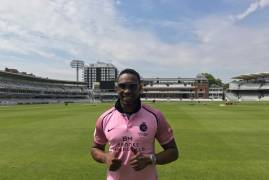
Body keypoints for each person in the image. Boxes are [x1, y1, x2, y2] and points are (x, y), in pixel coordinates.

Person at [91, 69, 179, 180]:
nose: (127, 91)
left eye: (132, 86)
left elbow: (173, 151)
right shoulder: (105, 118)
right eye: (122, 86)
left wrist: (150, 159)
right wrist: (105, 157)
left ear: (140, 88)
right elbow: (95, 149)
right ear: (116, 89)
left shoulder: (155, 116)